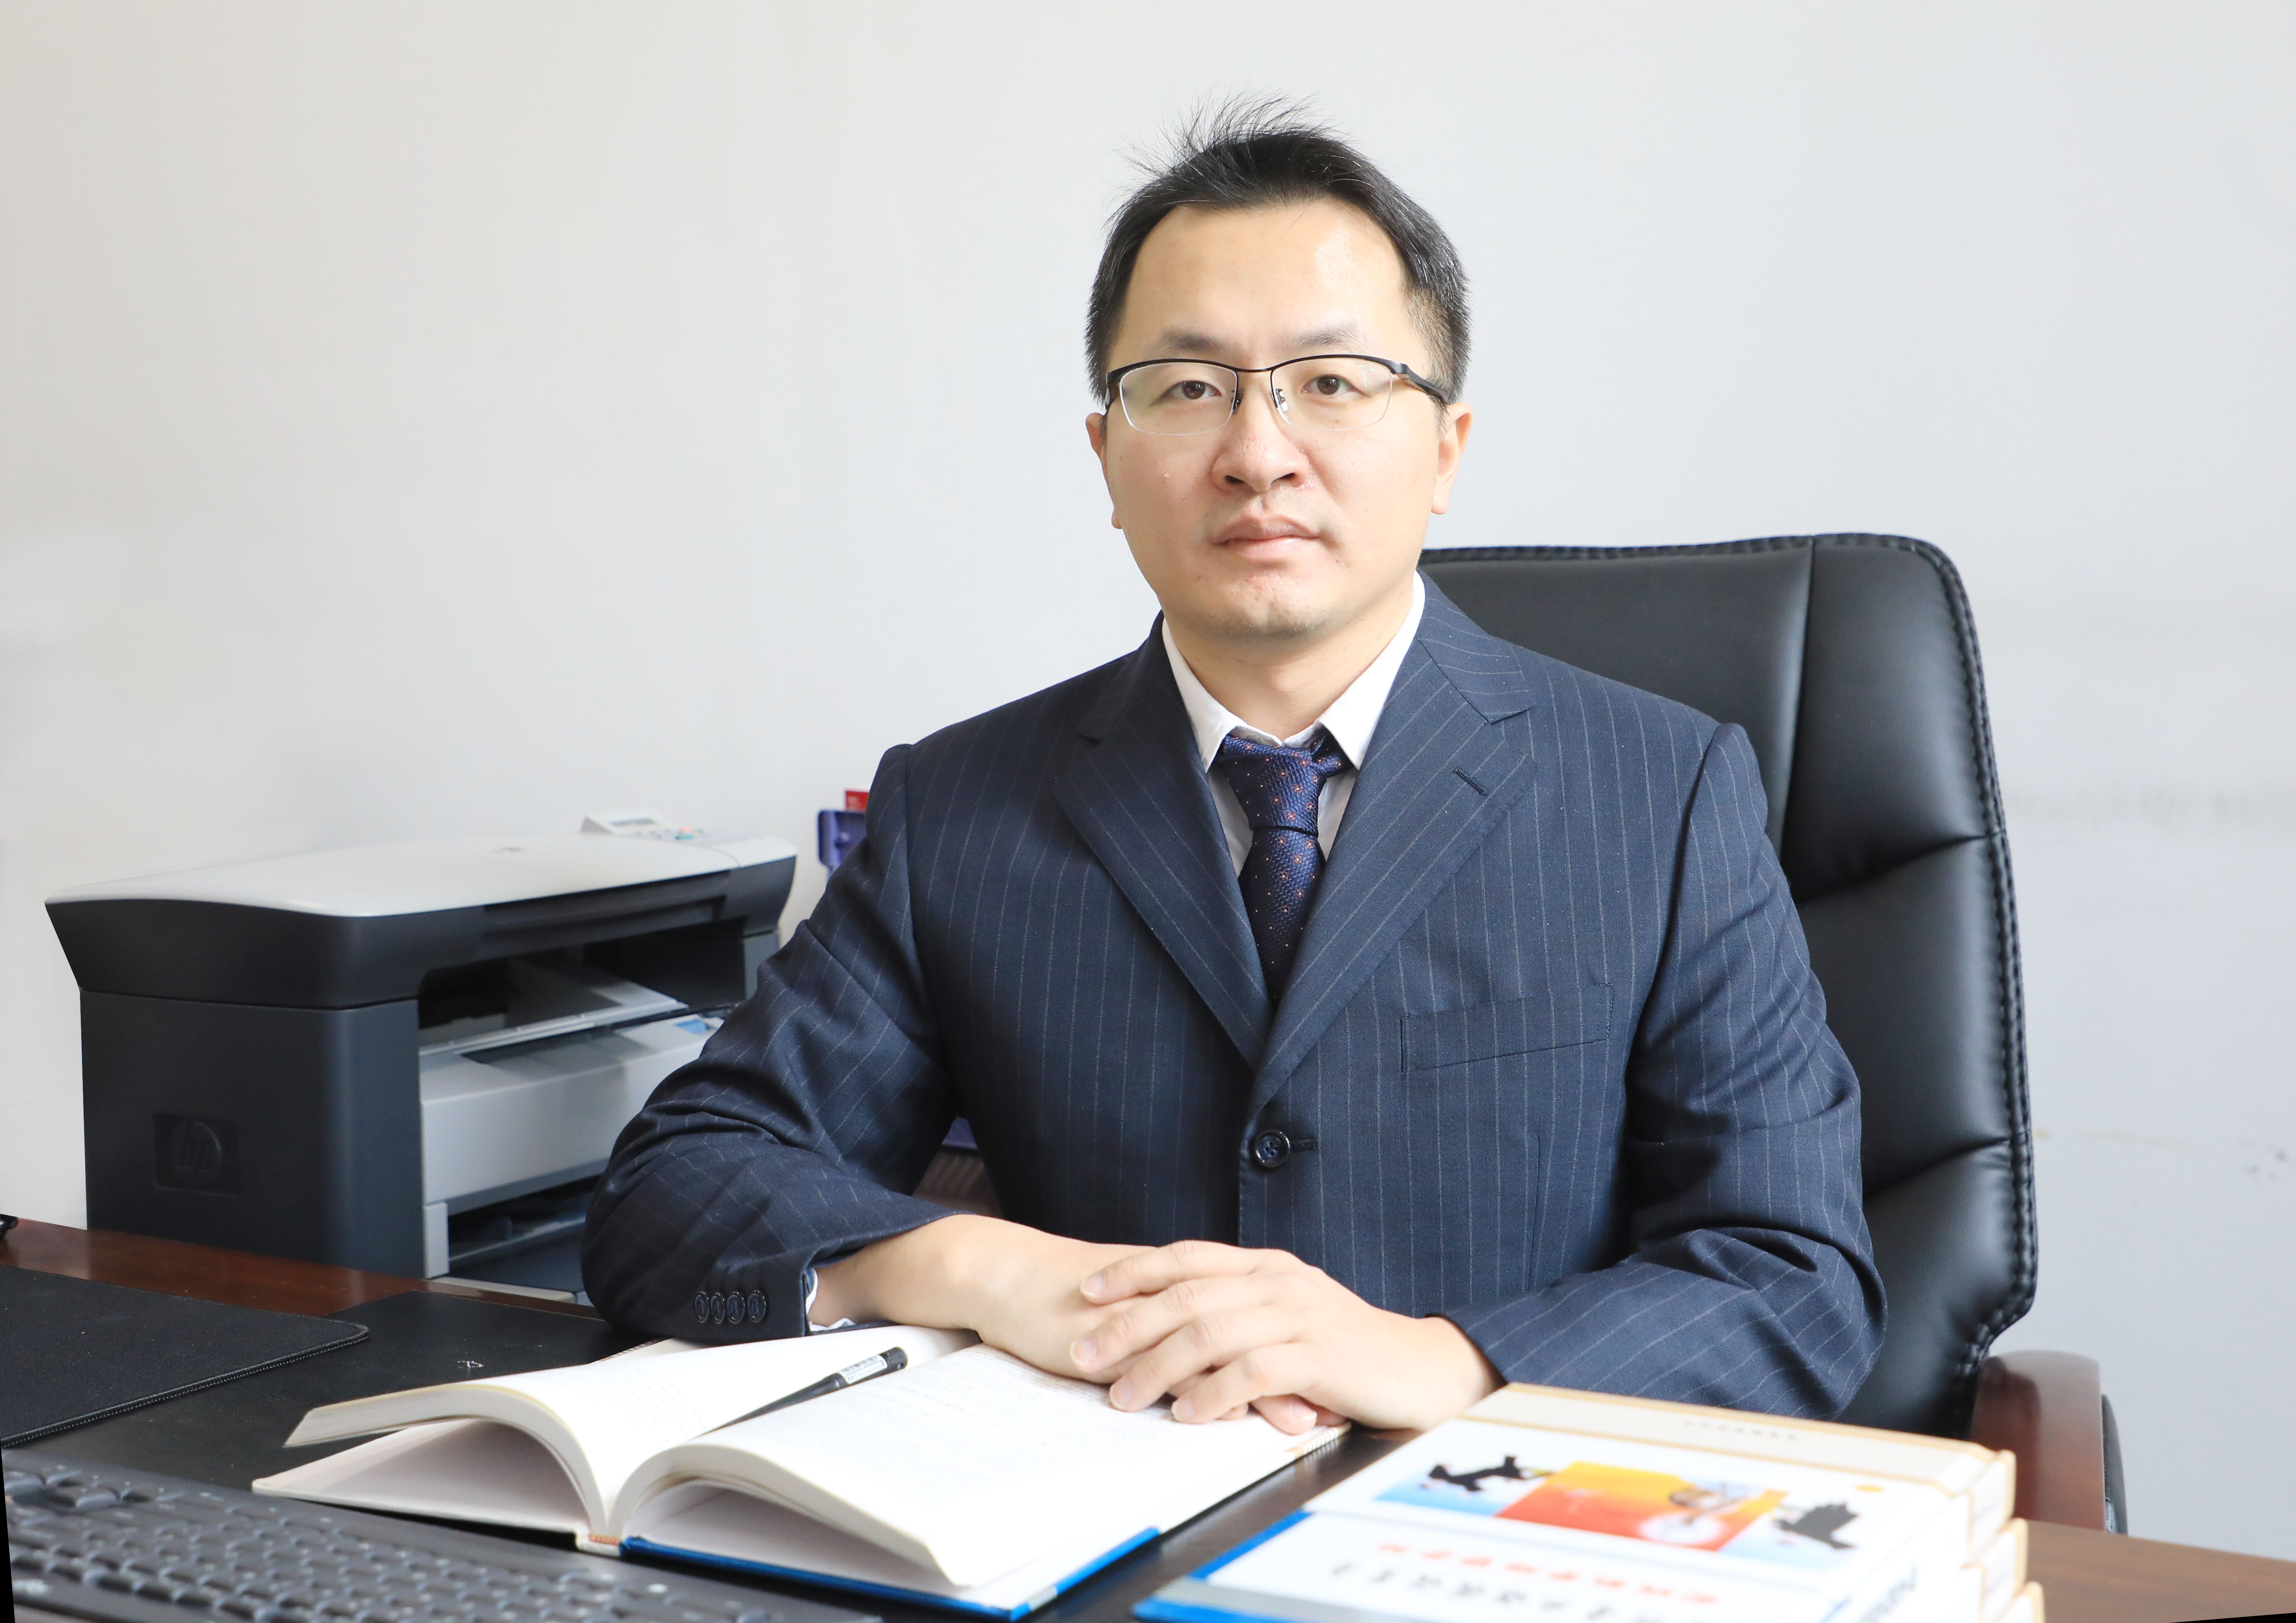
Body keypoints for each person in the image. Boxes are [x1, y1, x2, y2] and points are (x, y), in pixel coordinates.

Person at [583, 104, 1883, 1433]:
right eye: (1187, 387)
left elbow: (1793, 1277)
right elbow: (673, 1189)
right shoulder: (960, 806)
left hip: (1481, 1510)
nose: (1257, 453)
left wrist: (1444, 1361)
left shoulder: (1661, 792)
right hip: (1093, 1516)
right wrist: (985, 1268)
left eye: (1332, 381)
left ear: (1445, 449)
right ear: (1106, 455)